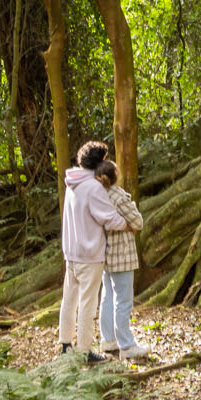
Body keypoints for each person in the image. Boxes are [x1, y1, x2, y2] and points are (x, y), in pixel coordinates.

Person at [59, 140, 127, 365]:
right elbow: (108, 217)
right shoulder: (93, 186)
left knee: (69, 300)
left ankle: (66, 345)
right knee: (88, 303)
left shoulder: (72, 182)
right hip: (89, 255)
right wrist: (128, 223)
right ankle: (85, 351)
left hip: (71, 252)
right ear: (100, 162)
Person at [94, 159, 148, 359]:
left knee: (108, 297)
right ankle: (126, 344)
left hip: (105, 254)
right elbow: (138, 221)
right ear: (113, 175)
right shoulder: (118, 196)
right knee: (123, 300)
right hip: (122, 255)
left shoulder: (99, 196)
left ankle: (108, 340)